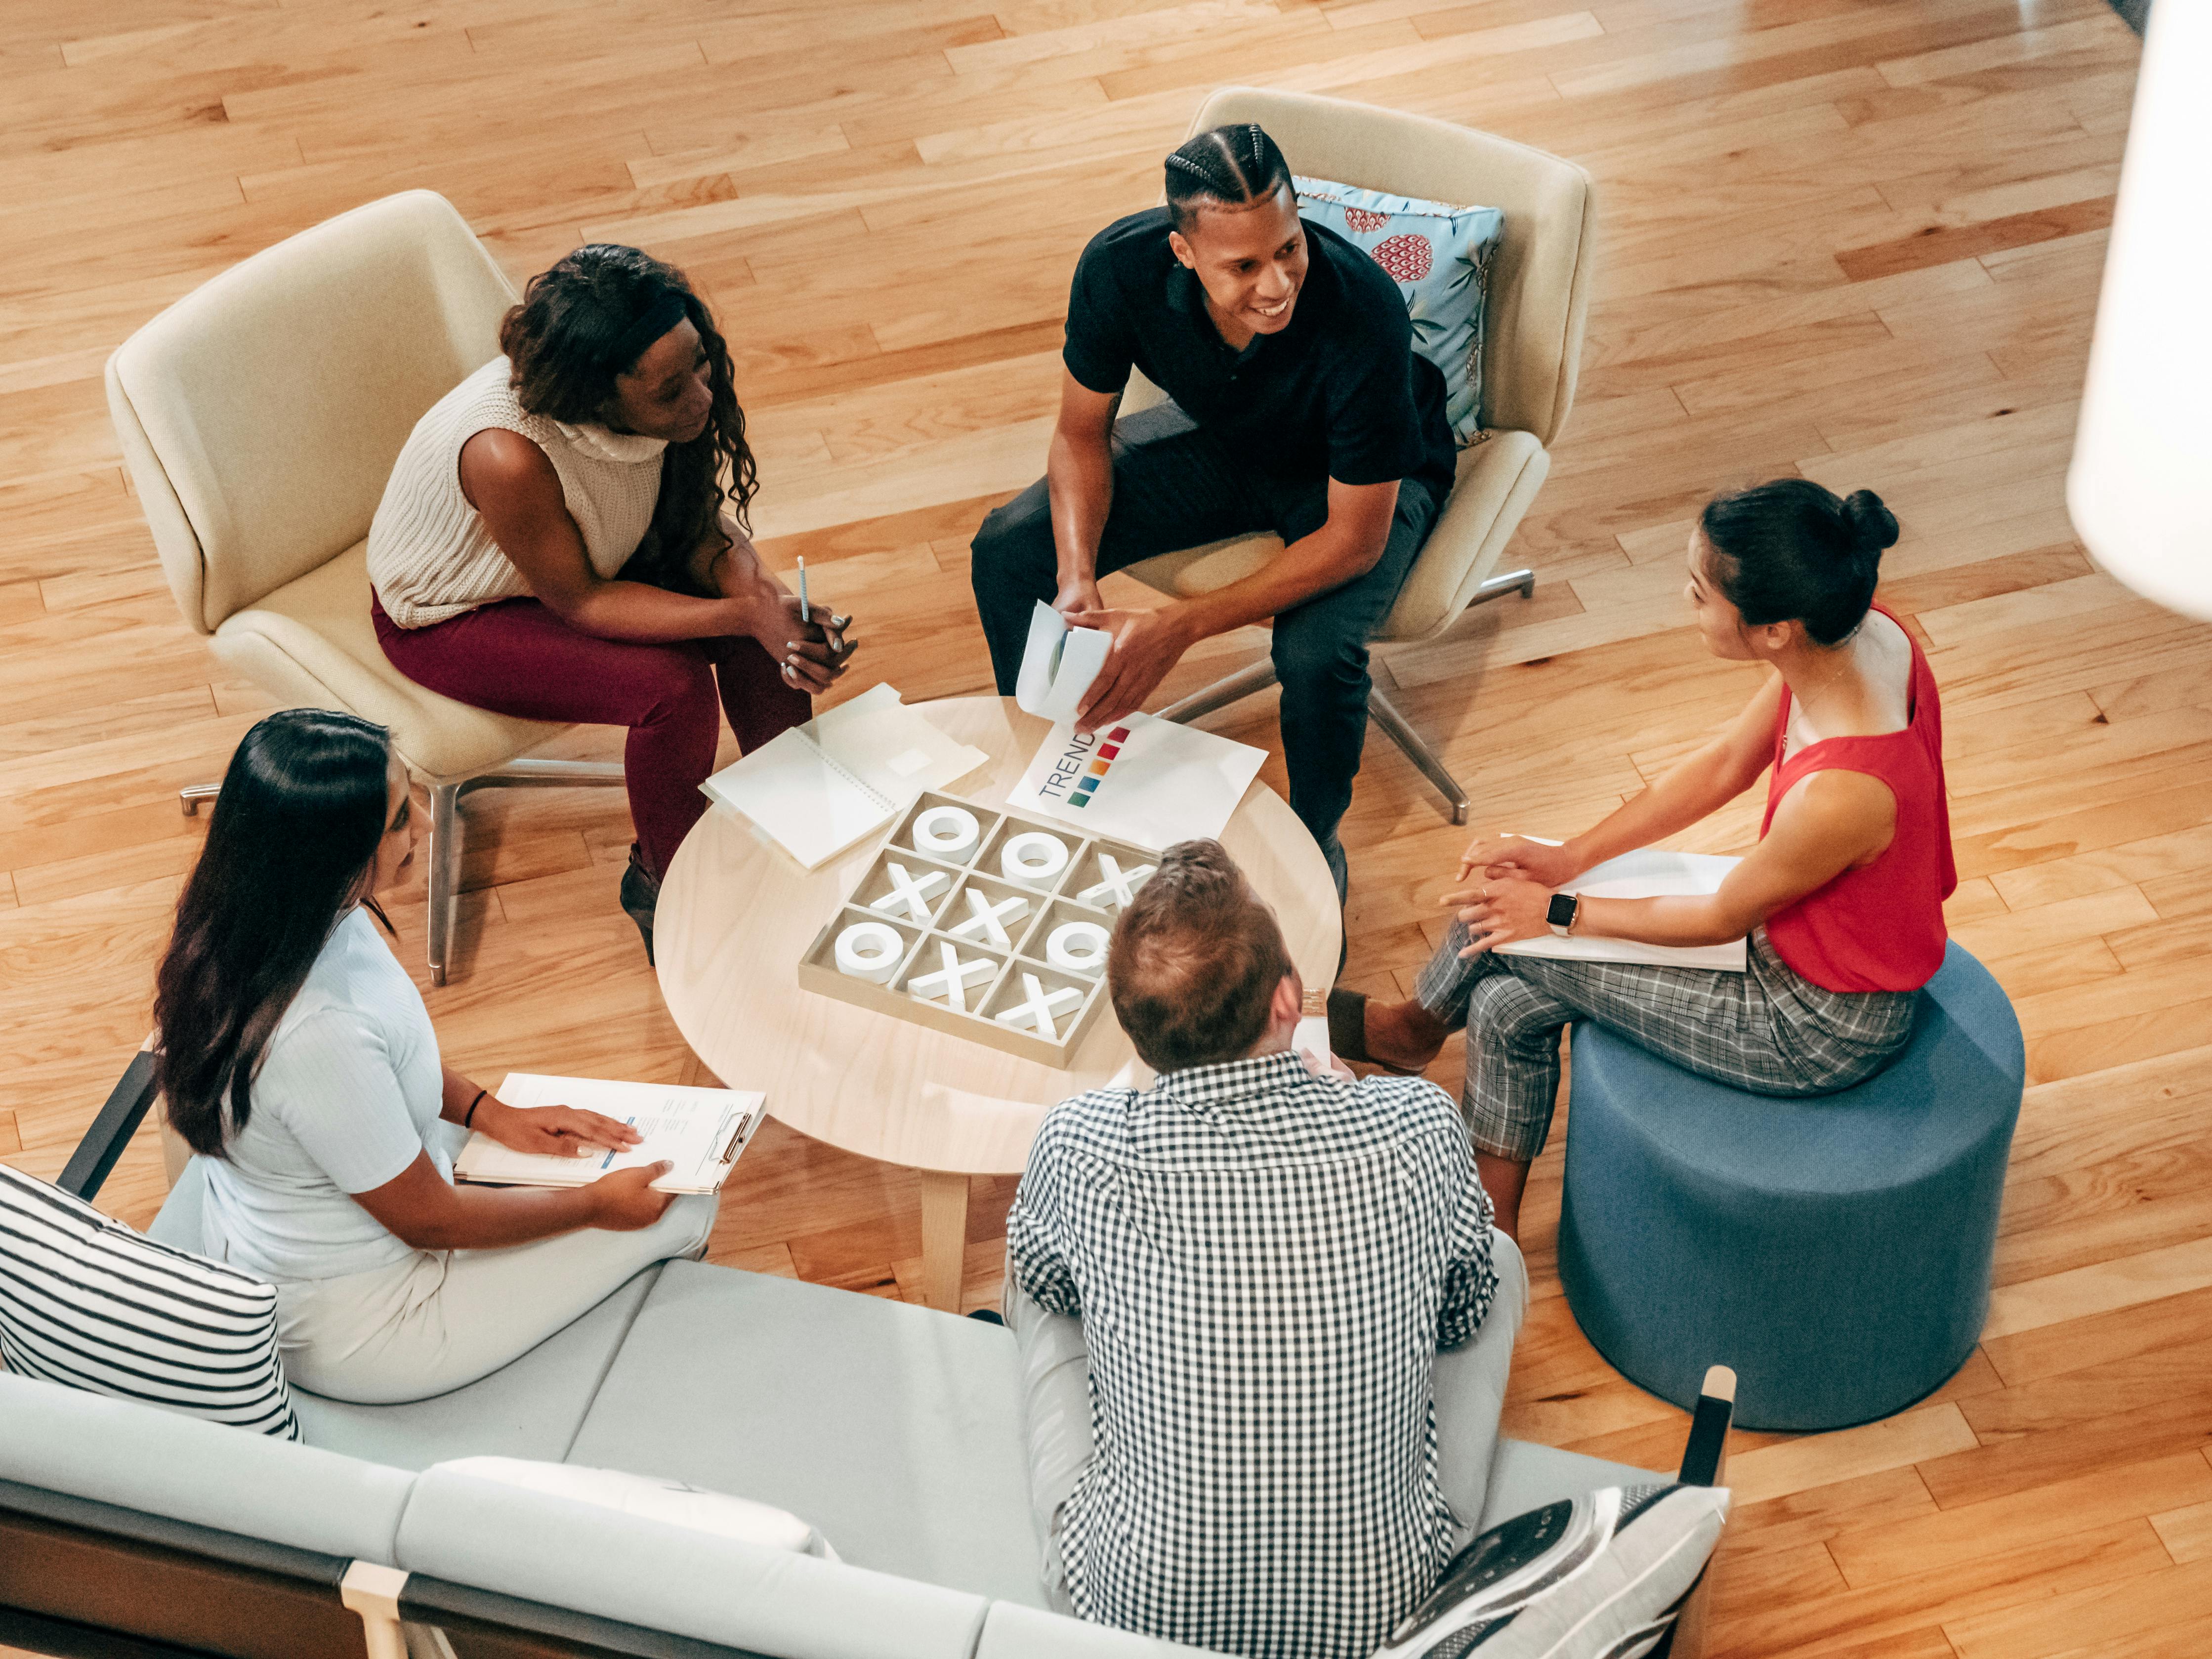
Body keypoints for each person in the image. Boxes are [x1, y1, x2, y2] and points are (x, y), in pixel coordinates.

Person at [1336, 480, 1953, 1239]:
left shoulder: (1846, 792)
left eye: (1698, 594)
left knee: (1507, 930)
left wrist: (1556, 911)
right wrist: (1568, 857)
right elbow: (1727, 761)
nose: (1683, 599)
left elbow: (1719, 915)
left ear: (1771, 631)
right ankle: (1486, 1231)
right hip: (1785, 938)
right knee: (1502, 1001)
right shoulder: (1858, 636)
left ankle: (1412, 1037)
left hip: (1812, 1022)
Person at [1005, 840, 1500, 1659]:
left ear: (1134, 1032)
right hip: (1380, 1611)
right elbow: (1463, 1310)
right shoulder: (1414, 1121)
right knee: (1495, 1261)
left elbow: (1049, 1282)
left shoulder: (1076, 1142)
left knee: (1036, 1283)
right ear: (1288, 1001)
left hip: (1133, 1610)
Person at [152, 709, 716, 1405]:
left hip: (334, 1211)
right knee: (688, 1209)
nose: (423, 821)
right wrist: (595, 1206)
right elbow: (431, 1221)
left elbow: (389, 1055)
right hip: (371, 1317)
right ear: (331, 851)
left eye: (409, 794)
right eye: (396, 820)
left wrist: (491, 1111)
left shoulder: (270, 914)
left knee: (634, 1176)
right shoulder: (312, 1036)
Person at [968, 125, 1459, 898]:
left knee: (1315, 655)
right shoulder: (1117, 267)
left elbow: (1354, 542)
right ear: (1183, 253)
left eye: (1289, 248)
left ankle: (1313, 840)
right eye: (1244, 266)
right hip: (1232, 439)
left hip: (1354, 482)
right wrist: (1075, 577)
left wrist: (1181, 628)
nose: (1276, 285)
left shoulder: (1362, 310)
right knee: (1006, 547)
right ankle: (1048, 765)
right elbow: (1077, 435)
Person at [367, 244, 857, 961]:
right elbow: (583, 601)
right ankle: (667, 880)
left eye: (702, 362)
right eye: (670, 391)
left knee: (759, 620)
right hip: (453, 611)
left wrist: (768, 603)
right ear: (596, 397)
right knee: (671, 687)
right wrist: (740, 611)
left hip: (591, 556)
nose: (701, 396)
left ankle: (801, 814)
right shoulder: (508, 453)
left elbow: (687, 525)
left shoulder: (668, 398)